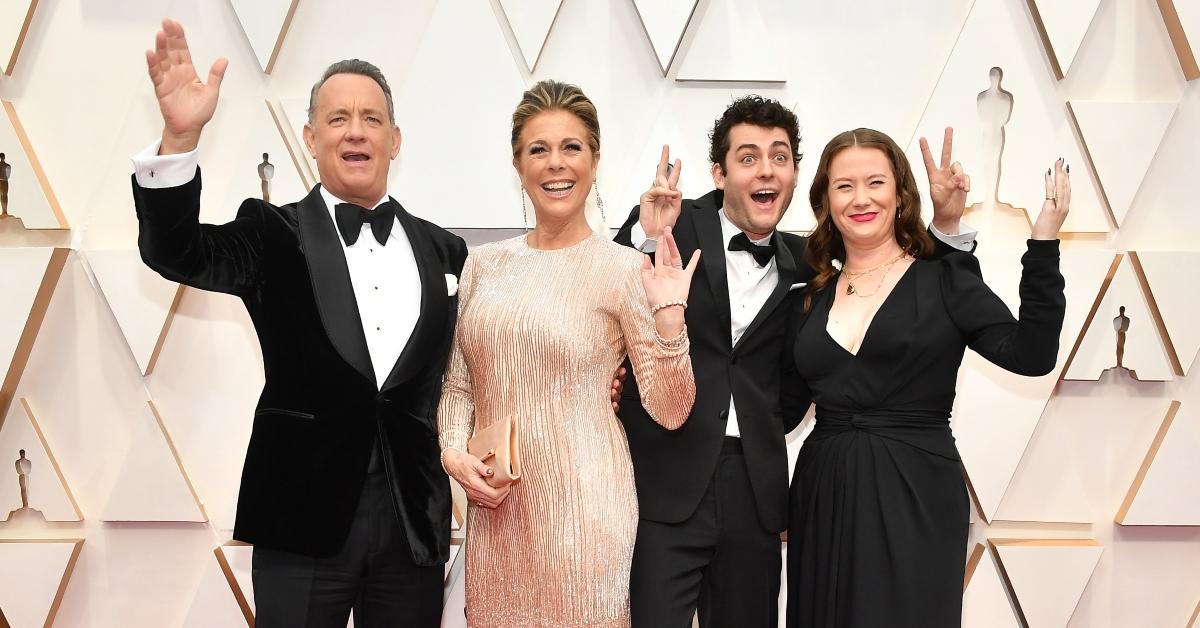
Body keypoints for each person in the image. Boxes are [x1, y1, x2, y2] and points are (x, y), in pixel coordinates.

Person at [131, 20, 466, 627]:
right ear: (310, 138)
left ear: (396, 139)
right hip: (300, 520)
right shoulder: (272, 234)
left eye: (371, 118)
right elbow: (174, 251)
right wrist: (179, 138)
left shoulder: (444, 252)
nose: (355, 130)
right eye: (338, 119)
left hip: (411, 527)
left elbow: (498, 350)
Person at [613, 97, 976, 627]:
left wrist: (947, 225)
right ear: (719, 173)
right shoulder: (672, 224)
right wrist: (644, 236)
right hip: (665, 479)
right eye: (748, 157)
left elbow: (911, 284)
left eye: (779, 156)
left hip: (754, 487)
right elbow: (610, 300)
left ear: (795, 172)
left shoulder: (812, 260)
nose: (766, 169)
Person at [781, 128, 1070, 627]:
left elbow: (1032, 354)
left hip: (914, 488)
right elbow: (776, 407)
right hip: (823, 490)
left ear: (900, 196)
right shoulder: (807, 299)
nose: (861, 198)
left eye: (876, 182)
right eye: (844, 186)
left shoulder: (944, 278)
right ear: (825, 202)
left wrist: (1043, 242)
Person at [438, 79, 700, 627]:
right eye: (539, 149)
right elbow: (459, 384)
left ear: (595, 159)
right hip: (496, 507)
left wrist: (671, 322)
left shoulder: (625, 267)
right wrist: (451, 451)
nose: (556, 164)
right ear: (518, 165)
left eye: (571, 147)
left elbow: (669, 409)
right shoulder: (483, 265)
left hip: (586, 507)